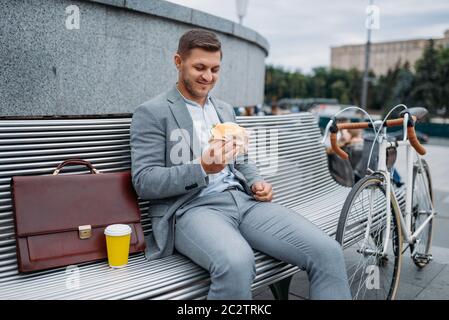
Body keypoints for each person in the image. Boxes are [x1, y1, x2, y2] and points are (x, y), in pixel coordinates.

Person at [130, 29, 351, 300]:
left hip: (244, 203)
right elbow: (144, 181)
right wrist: (201, 168)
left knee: (327, 251)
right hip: (191, 210)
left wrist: (257, 181)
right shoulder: (152, 112)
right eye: (199, 67)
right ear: (178, 62)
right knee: (237, 263)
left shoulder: (224, 109)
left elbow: (242, 158)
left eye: (215, 69)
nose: (208, 77)